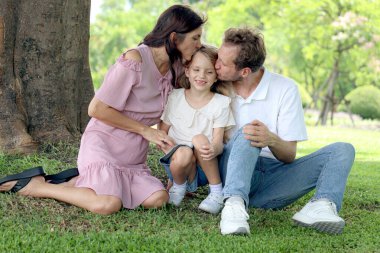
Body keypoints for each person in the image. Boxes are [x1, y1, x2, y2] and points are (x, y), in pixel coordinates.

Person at [0, 5, 206, 214]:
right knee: (108, 204)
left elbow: (209, 70)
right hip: (104, 143)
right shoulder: (135, 60)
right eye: (195, 38)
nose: (199, 45)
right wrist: (146, 130)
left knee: (158, 199)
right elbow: (97, 109)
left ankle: (78, 180)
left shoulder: (177, 67)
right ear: (174, 38)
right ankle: (39, 186)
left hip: (132, 155)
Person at [214, 27, 355, 235]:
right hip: (232, 171)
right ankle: (233, 205)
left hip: (273, 182)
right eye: (217, 57)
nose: (215, 64)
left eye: (222, 63)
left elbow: (289, 155)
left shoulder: (285, 89)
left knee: (343, 150)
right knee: (249, 132)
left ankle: (322, 206)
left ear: (244, 72)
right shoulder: (214, 84)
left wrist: (271, 139)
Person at [158, 46, 235, 214]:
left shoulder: (220, 103)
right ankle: (178, 186)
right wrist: (168, 147)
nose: (201, 76)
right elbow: (162, 133)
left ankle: (216, 192)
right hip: (178, 163)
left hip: (204, 166)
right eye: (196, 69)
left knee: (199, 139)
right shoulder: (175, 97)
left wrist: (214, 148)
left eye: (209, 72)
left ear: (216, 77)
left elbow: (218, 142)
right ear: (187, 71)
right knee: (184, 152)